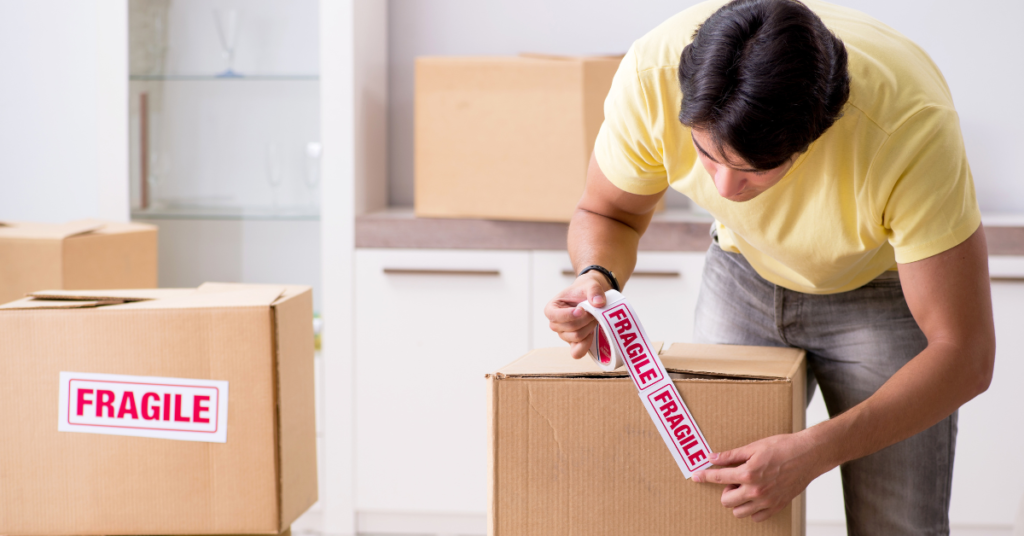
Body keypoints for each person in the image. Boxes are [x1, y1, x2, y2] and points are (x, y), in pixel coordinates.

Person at [543, 0, 995, 533]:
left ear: (815, 135)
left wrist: (813, 451)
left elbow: (965, 354)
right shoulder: (651, 78)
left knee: (898, 524)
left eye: (754, 171)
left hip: (884, 289)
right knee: (727, 510)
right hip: (741, 275)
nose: (724, 190)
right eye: (707, 154)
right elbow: (607, 210)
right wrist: (597, 276)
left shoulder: (908, 127)